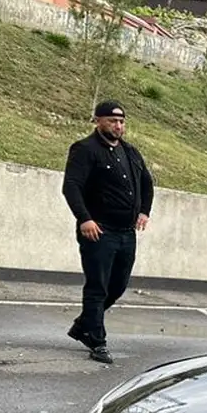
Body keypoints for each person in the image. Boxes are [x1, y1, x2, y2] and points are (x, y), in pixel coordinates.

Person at [62, 101, 153, 365]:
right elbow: (71, 187)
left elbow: (147, 183)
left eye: (122, 122)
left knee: (118, 285)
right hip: (99, 230)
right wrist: (85, 219)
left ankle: (83, 326)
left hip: (126, 232)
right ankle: (97, 340)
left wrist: (144, 211)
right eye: (112, 121)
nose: (118, 126)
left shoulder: (131, 153)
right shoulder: (84, 149)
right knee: (97, 286)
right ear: (98, 121)